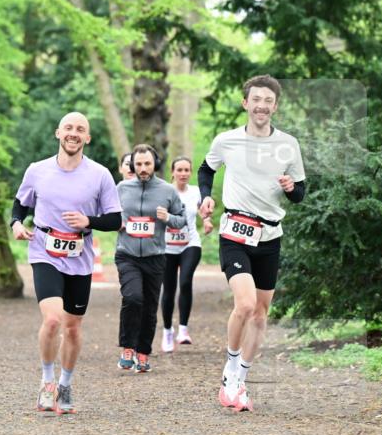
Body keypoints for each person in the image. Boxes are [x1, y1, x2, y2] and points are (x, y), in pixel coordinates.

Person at [198, 75, 306, 412]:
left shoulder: (288, 145)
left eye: (268, 101)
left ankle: (241, 378)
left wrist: (290, 187)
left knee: (260, 315)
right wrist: (205, 198)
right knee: (244, 305)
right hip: (235, 232)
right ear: (246, 103)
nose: (261, 105)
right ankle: (230, 369)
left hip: (270, 236)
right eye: (256, 99)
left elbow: (300, 194)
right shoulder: (227, 140)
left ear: (275, 106)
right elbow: (206, 169)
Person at [11, 112, 122, 414]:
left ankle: (65, 383)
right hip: (44, 250)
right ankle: (47, 381)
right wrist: (16, 224)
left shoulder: (100, 175)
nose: (74, 133)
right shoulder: (38, 170)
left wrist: (89, 220)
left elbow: (115, 219)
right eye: (69, 128)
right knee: (52, 320)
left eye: (81, 130)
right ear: (58, 133)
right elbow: (21, 203)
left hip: (79, 257)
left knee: (72, 329)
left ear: (87, 138)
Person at [115, 144, 186, 373]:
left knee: (149, 307)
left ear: (154, 163)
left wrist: (168, 218)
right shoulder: (122, 188)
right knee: (133, 297)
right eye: (138, 164)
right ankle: (127, 347)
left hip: (155, 256)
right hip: (127, 254)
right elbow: (107, 214)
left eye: (147, 164)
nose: (143, 168)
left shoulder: (167, 190)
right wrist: (116, 223)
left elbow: (182, 219)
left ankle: (143, 352)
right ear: (132, 165)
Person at [160, 156, 214, 352]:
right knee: (169, 289)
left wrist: (207, 222)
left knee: (185, 281)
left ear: (190, 173)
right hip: (166, 247)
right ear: (172, 172)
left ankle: (183, 329)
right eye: (179, 170)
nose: (183, 174)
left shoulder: (196, 192)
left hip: (190, 243)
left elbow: (203, 212)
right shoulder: (164, 192)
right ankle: (167, 331)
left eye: (186, 170)